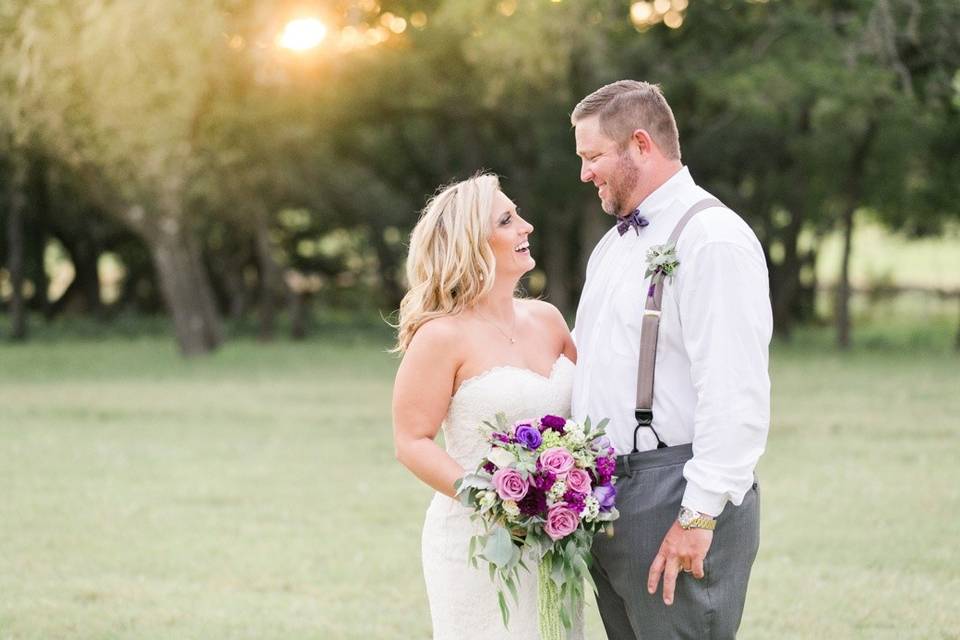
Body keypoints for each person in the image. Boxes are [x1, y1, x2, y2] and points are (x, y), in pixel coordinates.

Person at [570, 80, 772, 639]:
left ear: (640, 144)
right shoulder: (613, 246)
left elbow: (735, 390)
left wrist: (698, 513)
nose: (585, 173)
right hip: (610, 495)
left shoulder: (712, 240)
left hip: (674, 494)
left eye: (593, 156)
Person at [391, 173, 581, 639]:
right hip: (478, 540)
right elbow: (411, 441)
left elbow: (588, 417)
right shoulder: (441, 336)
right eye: (507, 220)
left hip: (555, 534)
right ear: (472, 243)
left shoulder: (549, 319)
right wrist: (494, 502)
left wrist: (578, 482)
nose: (526, 226)